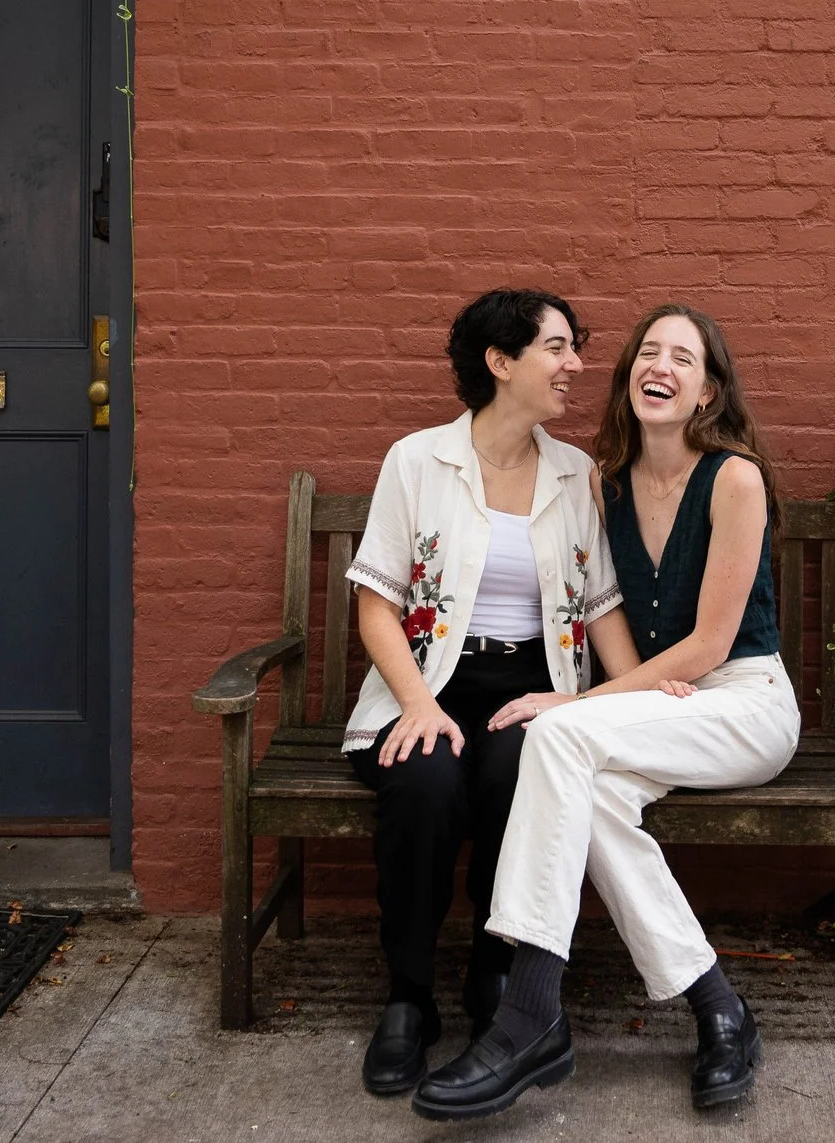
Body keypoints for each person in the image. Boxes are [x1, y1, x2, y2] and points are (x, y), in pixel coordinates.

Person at [412, 304, 801, 1122]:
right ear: (630, 379)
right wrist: (603, 700)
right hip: (659, 705)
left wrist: (578, 701)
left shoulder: (734, 477)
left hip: (743, 700)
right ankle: (718, 1007)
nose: (660, 365)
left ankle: (526, 1013)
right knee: (585, 800)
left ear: (707, 391)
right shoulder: (604, 480)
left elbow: (709, 646)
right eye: (647, 353)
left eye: (682, 358)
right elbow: (604, 609)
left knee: (554, 734)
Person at [341, 288, 669, 1097]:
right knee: (422, 781)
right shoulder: (418, 460)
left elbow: (600, 608)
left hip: (537, 687)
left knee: (520, 773)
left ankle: (492, 976)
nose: (576, 366)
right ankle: (409, 999)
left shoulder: (575, 472)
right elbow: (376, 601)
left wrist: (637, 690)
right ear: (501, 362)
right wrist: (417, 703)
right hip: (431, 679)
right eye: (556, 349)